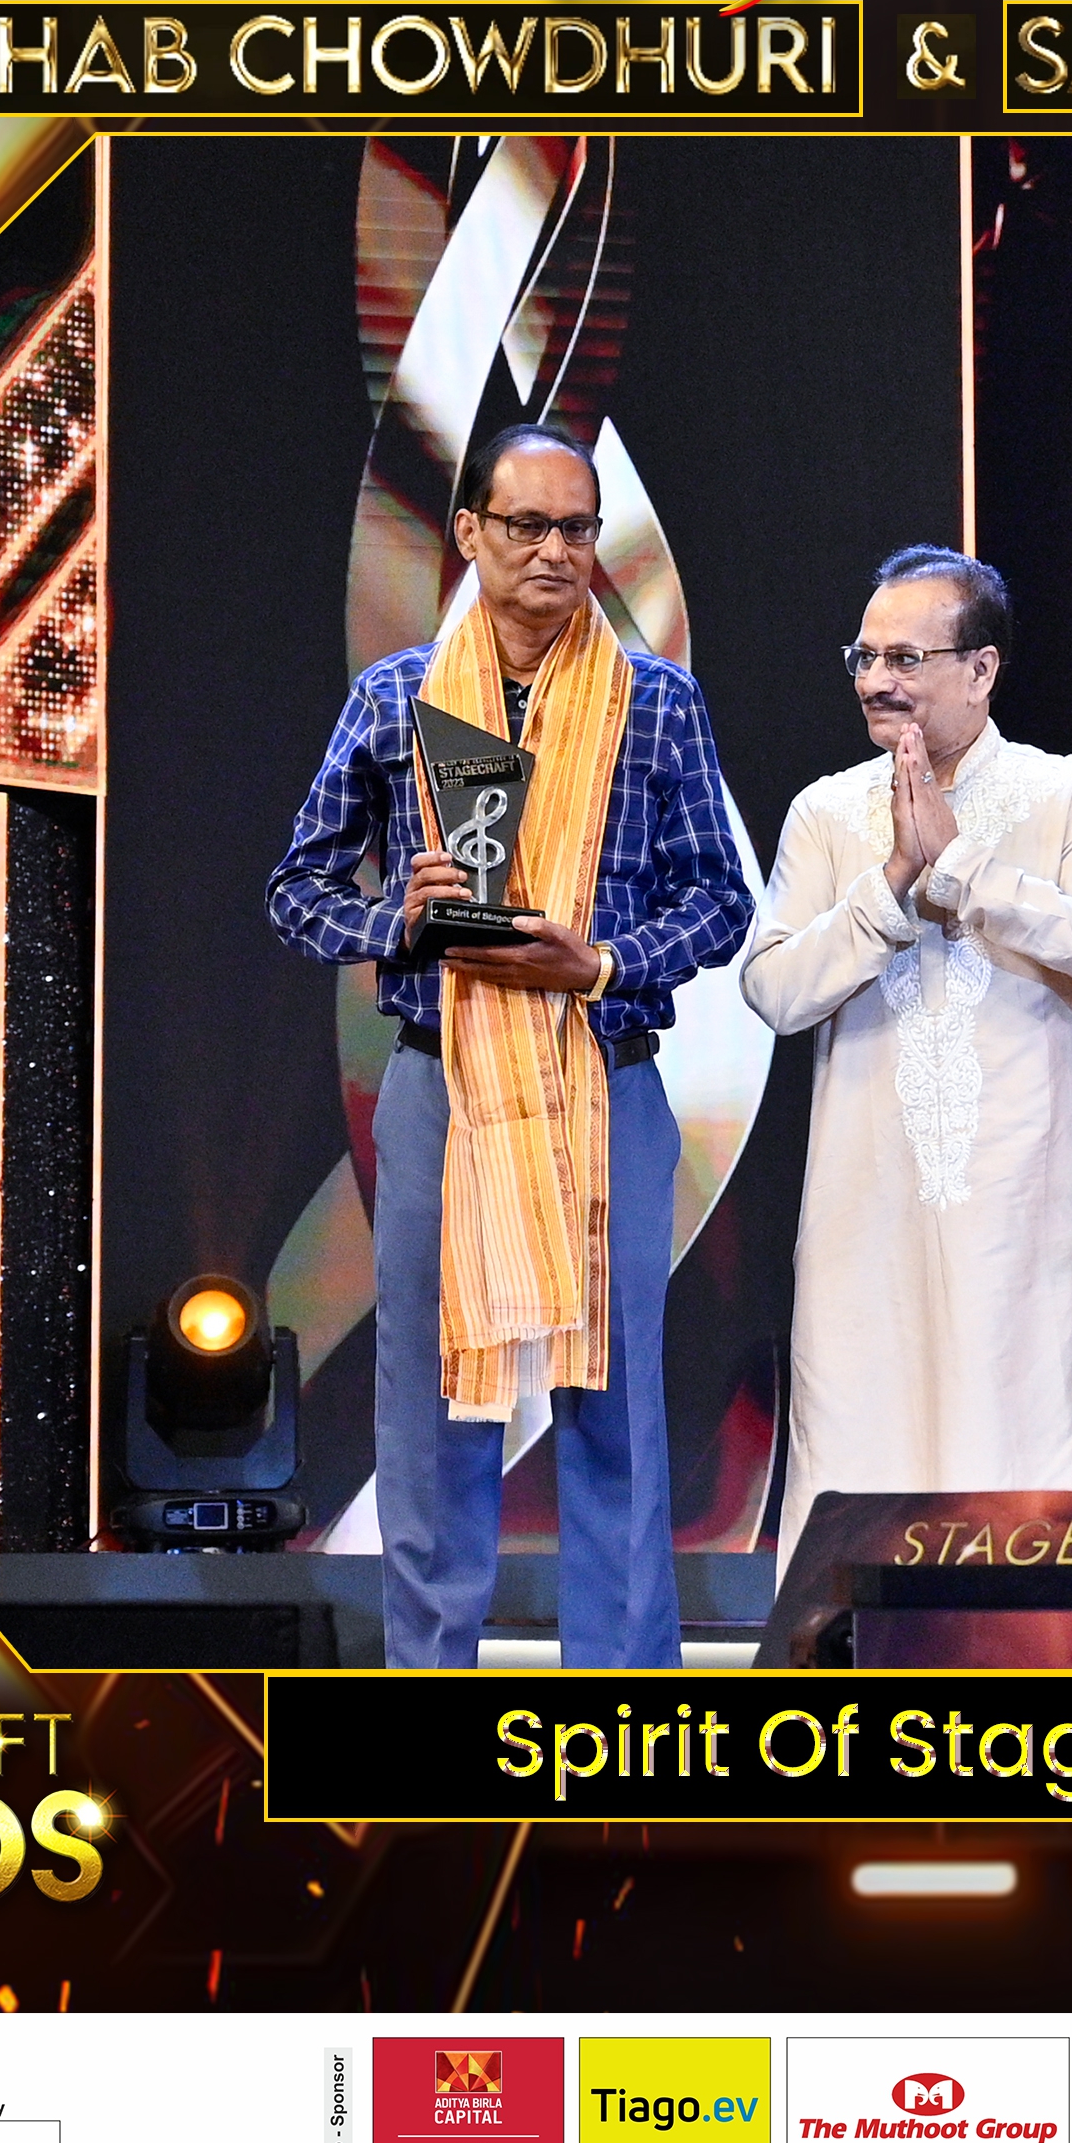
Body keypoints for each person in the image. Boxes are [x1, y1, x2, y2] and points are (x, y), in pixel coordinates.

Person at [266, 422, 752, 1665]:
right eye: (526, 525)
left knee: (616, 1395)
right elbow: (297, 892)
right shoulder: (400, 697)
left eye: (576, 528)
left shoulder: (655, 700)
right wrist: (400, 922)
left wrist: (603, 962)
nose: (553, 551)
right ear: (470, 531)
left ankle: (622, 1698)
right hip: (444, 1085)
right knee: (433, 1401)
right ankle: (433, 1676)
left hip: (605, 1073)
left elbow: (721, 900)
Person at [740, 545, 1072, 1571]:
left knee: (1041, 1470)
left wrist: (963, 866)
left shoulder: (1066, 792)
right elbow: (774, 989)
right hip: (869, 1224)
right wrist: (891, 876)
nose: (876, 680)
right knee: (870, 1458)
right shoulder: (827, 811)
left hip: (1034, 1222)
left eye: (906, 658)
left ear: (981, 669)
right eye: (865, 657)